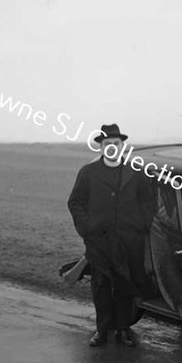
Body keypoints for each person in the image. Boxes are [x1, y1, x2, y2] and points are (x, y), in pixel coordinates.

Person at [67, 124, 155, 347]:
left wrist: (141, 225)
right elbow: (75, 202)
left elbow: (148, 202)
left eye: (116, 144)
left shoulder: (135, 172)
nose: (112, 148)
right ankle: (102, 330)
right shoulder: (88, 173)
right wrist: (87, 226)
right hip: (99, 242)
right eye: (108, 144)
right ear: (101, 147)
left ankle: (123, 330)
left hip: (129, 241)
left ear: (122, 146)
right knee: (101, 287)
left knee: (126, 285)